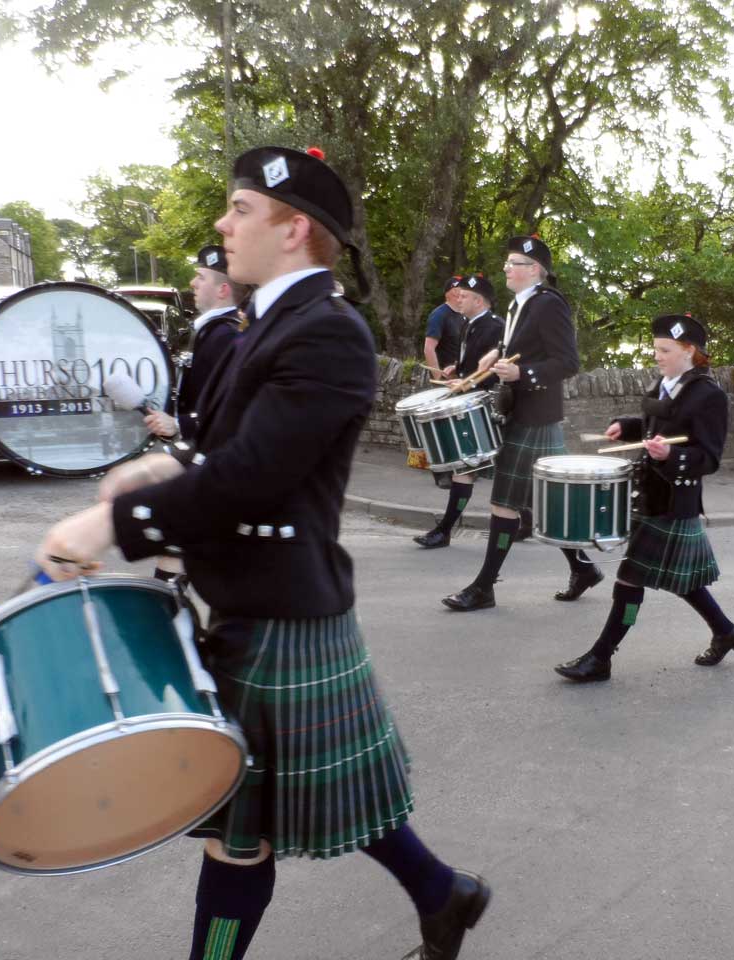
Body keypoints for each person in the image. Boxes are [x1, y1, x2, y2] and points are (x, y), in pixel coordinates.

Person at [35, 145, 490, 960]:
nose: (222, 222)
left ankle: (440, 894)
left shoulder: (329, 333)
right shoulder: (270, 322)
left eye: (240, 209)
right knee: (313, 800)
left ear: (294, 229)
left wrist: (117, 526)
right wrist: (162, 463)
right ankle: (444, 893)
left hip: (283, 608)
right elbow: (227, 446)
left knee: (241, 834)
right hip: (257, 599)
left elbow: (255, 475)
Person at [552, 314, 734, 682]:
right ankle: (726, 632)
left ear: (690, 351)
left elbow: (710, 458)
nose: (656, 355)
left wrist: (672, 456)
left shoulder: (709, 395)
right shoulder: (666, 382)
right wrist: (627, 426)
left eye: (664, 350)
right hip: (650, 494)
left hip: (675, 501)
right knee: (682, 580)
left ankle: (600, 658)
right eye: (656, 348)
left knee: (629, 579)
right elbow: (658, 427)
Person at [442, 235, 601, 611]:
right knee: (545, 503)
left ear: (535, 270)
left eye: (514, 263)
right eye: (508, 262)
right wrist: (493, 356)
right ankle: (583, 569)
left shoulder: (548, 305)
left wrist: (521, 373)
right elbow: (522, 346)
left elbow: (568, 362)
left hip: (536, 415)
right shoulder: (520, 305)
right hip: (524, 413)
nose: (506, 268)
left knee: (504, 503)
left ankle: (484, 587)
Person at [143, 244, 244, 583]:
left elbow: (231, 408)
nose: (192, 283)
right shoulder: (207, 333)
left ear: (223, 289)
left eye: (201, 277)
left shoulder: (226, 336)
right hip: (201, 456)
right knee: (176, 554)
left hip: (212, 463)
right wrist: (174, 426)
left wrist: (181, 424)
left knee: (177, 555)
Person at [415, 273, 504, 549]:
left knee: (497, 472)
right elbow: (473, 362)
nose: (458, 298)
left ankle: (445, 530)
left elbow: (491, 370)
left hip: (487, 404)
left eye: (464, 295)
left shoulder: (494, 326)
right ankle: (445, 530)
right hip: (473, 402)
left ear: (478, 300)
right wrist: (458, 368)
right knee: (466, 469)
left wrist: (465, 382)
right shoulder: (470, 324)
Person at [423, 277, 466, 378]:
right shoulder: (439, 315)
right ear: (454, 292)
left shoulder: (464, 315)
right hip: (445, 379)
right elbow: (428, 348)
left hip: (460, 378)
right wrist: (438, 378)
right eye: (463, 289)